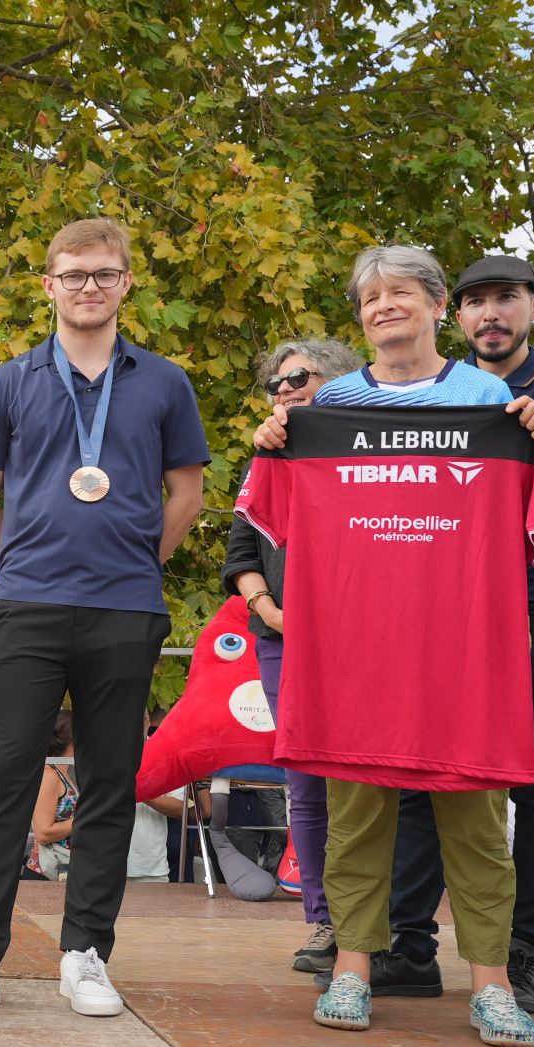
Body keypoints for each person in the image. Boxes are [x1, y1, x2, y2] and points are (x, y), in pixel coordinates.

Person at [252, 245, 534, 1047]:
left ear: (434, 304)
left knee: (479, 819)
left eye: (404, 293)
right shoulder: (333, 403)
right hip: (360, 649)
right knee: (356, 818)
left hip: (465, 650)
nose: (387, 306)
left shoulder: (490, 397)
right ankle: (352, 970)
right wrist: (278, 435)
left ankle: (489, 986)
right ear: (360, 315)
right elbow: (271, 513)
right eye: (372, 296)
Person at [0, 217, 209, 1024]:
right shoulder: (9, 382)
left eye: (104, 273)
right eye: (73, 274)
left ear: (127, 284)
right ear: (49, 286)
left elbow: (185, 496)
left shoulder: (165, 382)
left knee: (110, 784)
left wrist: (133, 566)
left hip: (125, 609)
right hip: (26, 607)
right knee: (3, 780)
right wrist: (17, 574)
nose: (89, 286)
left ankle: (85, 953)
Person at [368, 255, 534, 1014]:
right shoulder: (428, 391)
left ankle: (527, 948)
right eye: (476, 303)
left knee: (533, 779)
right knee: (414, 770)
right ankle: (409, 945)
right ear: (456, 315)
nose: (490, 315)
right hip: (441, 604)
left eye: (505, 299)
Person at [221, 338, 364, 969]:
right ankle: (326, 923)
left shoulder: (372, 448)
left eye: (296, 378)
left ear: (339, 382)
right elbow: (241, 557)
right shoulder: (267, 457)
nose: (283, 391)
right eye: (275, 384)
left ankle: (389, 930)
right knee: (307, 786)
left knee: (373, 781)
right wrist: (268, 611)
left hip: (367, 640)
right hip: (285, 643)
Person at [126, 715, 191, 884]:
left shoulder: (164, 754)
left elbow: (179, 809)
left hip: (149, 868)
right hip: (103, 866)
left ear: (147, 721)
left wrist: (138, 791)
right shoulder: (100, 751)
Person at [23, 714, 78, 881]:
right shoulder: (49, 775)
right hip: (46, 873)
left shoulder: (64, 773)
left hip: (61, 870)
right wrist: (86, 818)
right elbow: (43, 833)